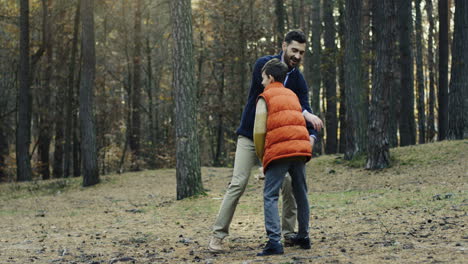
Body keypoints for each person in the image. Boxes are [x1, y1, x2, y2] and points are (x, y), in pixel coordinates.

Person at [208, 29, 323, 252]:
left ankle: (288, 233)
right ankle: (217, 236)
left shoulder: (298, 79)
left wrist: (311, 135)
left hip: (278, 141)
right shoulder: (265, 66)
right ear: (284, 46)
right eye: (294, 50)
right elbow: (273, 101)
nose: (297, 56)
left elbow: (305, 108)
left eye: (301, 53)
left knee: (289, 184)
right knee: (238, 183)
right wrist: (303, 114)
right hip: (251, 135)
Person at [254, 58, 312, 256]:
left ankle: (274, 242)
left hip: (279, 152)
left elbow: (259, 132)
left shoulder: (265, 97)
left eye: (263, 78)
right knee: (301, 193)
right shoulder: (292, 95)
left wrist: (263, 158)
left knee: (270, 195)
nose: (261, 82)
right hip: (300, 149)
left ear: (270, 77)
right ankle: (303, 236)